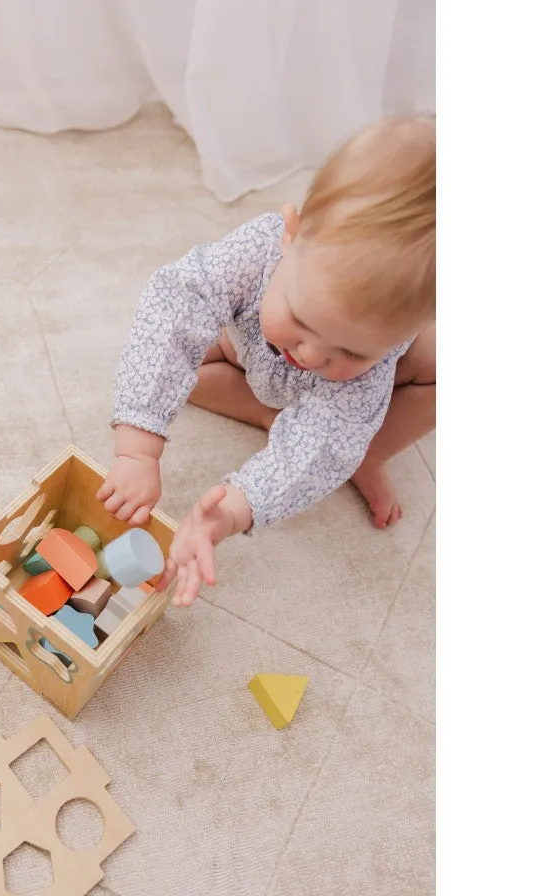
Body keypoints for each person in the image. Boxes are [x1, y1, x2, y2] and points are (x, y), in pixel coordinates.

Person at [96, 113, 436, 607]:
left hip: (342, 400)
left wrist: (232, 511)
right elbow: (176, 305)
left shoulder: (370, 369)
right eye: (303, 317)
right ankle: (268, 411)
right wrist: (137, 448)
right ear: (291, 236)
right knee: (174, 355)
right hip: (246, 348)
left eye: (353, 349)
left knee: (432, 376)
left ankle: (371, 452)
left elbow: (319, 447)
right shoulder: (257, 249)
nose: (314, 354)